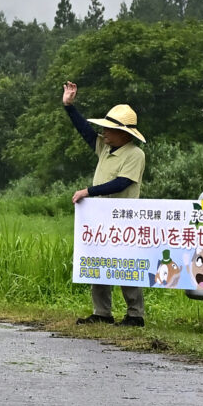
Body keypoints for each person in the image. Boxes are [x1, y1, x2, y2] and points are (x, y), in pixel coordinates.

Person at [64, 81, 149, 326]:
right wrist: (69, 107)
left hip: (124, 218)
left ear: (124, 134)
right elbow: (85, 131)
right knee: (98, 262)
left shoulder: (135, 154)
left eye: (110, 129)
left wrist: (88, 191)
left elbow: (121, 183)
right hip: (101, 216)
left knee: (125, 264)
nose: (104, 132)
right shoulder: (105, 148)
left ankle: (135, 315)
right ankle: (102, 313)